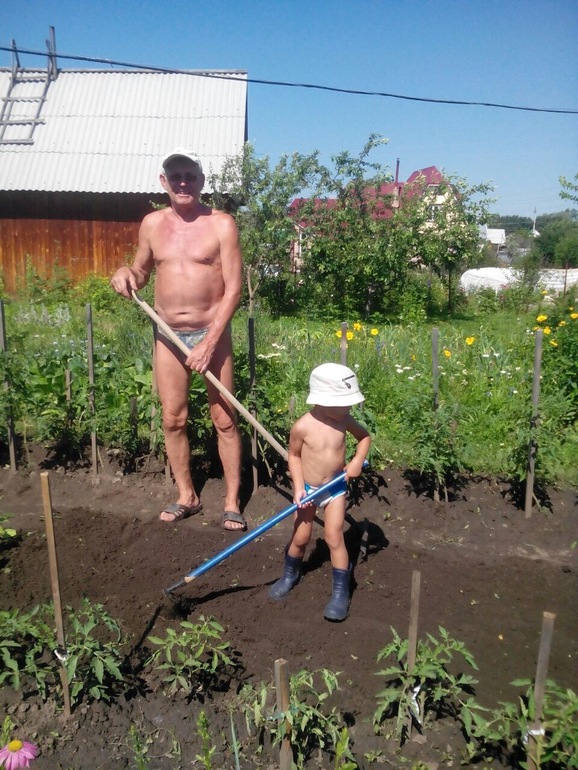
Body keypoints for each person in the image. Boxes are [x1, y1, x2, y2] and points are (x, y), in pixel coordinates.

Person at [110, 148, 245, 531]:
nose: (183, 182)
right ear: (164, 182)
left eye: (190, 175)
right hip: (167, 333)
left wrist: (208, 343)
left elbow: (234, 290)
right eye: (175, 176)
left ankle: (232, 502)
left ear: (202, 181)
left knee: (224, 419)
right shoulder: (152, 224)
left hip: (211, 333)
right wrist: (126, 273)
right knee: (173, 419)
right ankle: (188, 495)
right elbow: (141, 271)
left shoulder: (222, 224)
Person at [269, 362, 371, 621]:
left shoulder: (344, 420)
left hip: (334, 488)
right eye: (345, 403)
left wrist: (357, 461)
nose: (349, 408)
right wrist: (298, 489)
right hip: (309, 490)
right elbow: (293, 456)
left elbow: (364, 438)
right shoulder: (302, 427)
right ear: (325, 400)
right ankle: (291, 574)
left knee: (334, 536)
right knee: (301, 536)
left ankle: (341, 591)